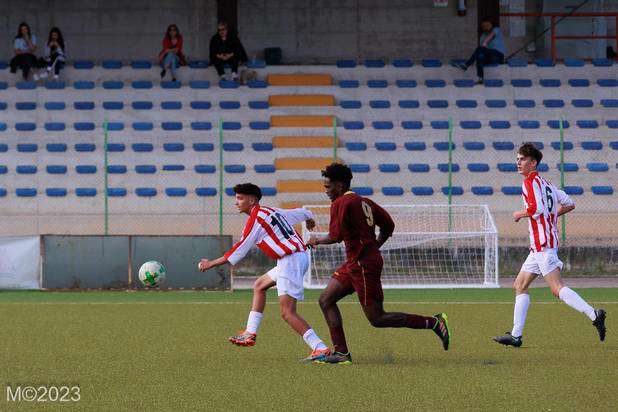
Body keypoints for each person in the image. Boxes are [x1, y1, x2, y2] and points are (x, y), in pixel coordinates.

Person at [308, 163, 451, 365]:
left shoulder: (341, 203)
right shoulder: (364, 201)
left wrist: (316, 240)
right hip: (356, 263)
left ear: (339, 186)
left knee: (377, 318)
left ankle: (434, 322)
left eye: (328, 187)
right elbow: (388, 225)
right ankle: (341, 353)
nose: (326, 191)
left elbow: (335, 236)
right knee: (326, 300)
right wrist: (374, 246)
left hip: (363, 266)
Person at [198, 183, 331, 362]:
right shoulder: (271, 211)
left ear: (252, 200)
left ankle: (320, 347)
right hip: (296, 257)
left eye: (240, 198)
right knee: (260, 285)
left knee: (287, 312)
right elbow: (303, 212)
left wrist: (211, 263)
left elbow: (240, 249)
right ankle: (250, 332)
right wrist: (309, 220)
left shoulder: (255, 220)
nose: (236, 202)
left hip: (290, 261)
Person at [493, 143, 607, 347]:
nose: (518, 162)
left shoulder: (529, 182)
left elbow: (536, 209)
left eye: (522, 159)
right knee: (520, 285)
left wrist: (520, 214)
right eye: (517, 159)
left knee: (557, 288)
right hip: (539, 246)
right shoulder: (547, 184)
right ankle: (516, 336)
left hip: (543, 244)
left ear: (533, 163)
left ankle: (594, 314)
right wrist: (551, 215)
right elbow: (570, 203)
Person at [451, 17, 505, 83]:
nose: (486, 28)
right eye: (483, 26)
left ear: (492, 25)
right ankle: (480, 78)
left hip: (498, 56)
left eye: (487, 25)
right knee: (479, 56)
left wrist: (485, 43)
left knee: (480, 49)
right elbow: (480, 51)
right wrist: (482, 47)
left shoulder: (496, 29)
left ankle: (466, 65)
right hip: (489, 58)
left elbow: (491, 36)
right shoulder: (482, 36)